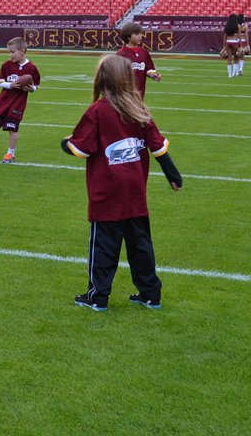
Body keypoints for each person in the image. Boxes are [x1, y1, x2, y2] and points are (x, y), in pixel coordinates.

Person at [62, 54, 182, 312]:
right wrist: (173, 174)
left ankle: (98, 296)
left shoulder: (97, 110)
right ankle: (151, 294)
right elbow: (158, 147)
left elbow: (81, 149)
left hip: (107, 192)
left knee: (104, 245)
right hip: (135, 191)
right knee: (141, 245)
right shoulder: (140, 110)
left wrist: (65, 144)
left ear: (102, 79)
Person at [116, 22, 161, 97]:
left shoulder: (144, 52)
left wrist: (153, 75)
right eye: (137, 34)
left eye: (140, 33)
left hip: (140, 94)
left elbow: (149, 69)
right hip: (124, 96)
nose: (140, 36)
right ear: (128, 37)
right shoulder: (120, 54)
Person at [219, 14, 240, 79]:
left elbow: (224, 37)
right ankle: (233, 73)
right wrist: (240, 46)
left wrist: (224, 47)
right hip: (235, 42)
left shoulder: (227, 26)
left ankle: (229, 74)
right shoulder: (238, 26)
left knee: (229, 58)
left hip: (228, 42)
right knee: (236, 58)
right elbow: (239, 36)